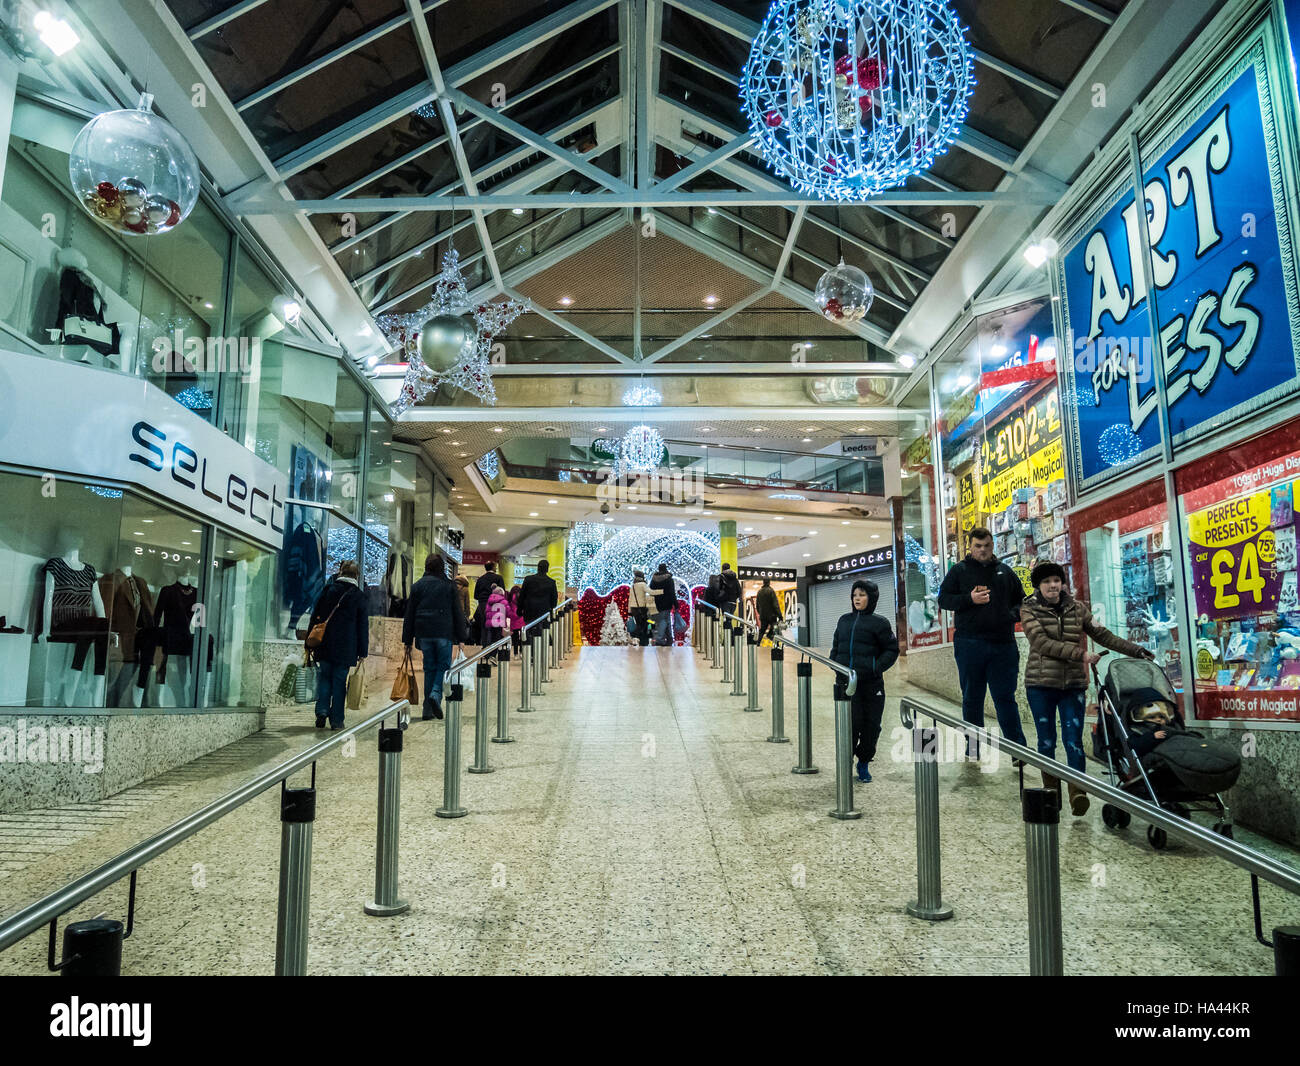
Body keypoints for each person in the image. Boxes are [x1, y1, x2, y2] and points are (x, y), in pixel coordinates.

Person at [1020, 562, 1153, 814]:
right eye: (1046, 581)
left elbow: (1103, 635)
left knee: (1073, 741)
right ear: (1038, 585)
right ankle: (1050, 793)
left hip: (1072, 685)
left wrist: (1136, 650)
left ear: (1062, 583)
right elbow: (1040, 643)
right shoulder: (1029, 609)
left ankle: (1078, 791)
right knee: (1046, 741)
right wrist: (1080, 654)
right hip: (1041, 685)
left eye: (1056, 580)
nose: (1052, 585)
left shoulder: (1078, 608)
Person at [937, 527, 1027, 760]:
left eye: (986, 545)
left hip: (1003, 645)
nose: (983, 550)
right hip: (969, 644)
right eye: (978, 546)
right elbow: (943, 599)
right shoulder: (959, 571)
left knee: (1005, 698)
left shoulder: (1005, 571)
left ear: (993, 545)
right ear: (970, 547)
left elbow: (1022, 602)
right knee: (972, 698)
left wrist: (1010, 615)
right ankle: (973, 747)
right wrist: (969, 599)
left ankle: (1018, 751)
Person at [829, 579, 899, 782]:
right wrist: (835, 664)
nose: (857, 599)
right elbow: (836, 646)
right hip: (847, 685)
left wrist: (875, 667)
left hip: (871, 684)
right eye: (854, 595)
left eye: (862, 595)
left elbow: (892, 649)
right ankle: (845, 762)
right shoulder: (844, 620)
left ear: (872, 598)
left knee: (871, 726)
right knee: (850, 725)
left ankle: (864, 761)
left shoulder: (880, 623)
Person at [403, 553, 468, 720]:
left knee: (429, 668)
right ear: (442, 568)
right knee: (443, 666)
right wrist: (462, 636)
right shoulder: (449, 586)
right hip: (443, 632)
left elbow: (409, 614)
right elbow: (457, 612)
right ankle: (436, 693)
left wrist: (407, 639)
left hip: (424, 633)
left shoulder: (417, 586)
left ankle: (427, 710)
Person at [307, 560, 368, 731]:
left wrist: (309, 642)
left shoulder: (328, 590)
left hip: (325, 644)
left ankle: (322, 711)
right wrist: (363, 651)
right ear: (356, 576)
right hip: (346, 647)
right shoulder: (359, 596)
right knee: (339, 683)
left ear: (340, 572)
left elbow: (315, 616)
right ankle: (336, 720)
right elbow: (362, 626)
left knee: (325, 678)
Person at [472, 562, 505, 645]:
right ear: (493, 567)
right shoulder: (498, 578)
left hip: (482, 604)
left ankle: (485, 646)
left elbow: (476, 595)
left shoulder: (480, 579)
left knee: (484, 625)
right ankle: (493, 648)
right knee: (495, 626)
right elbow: (502, 593)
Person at [520, 559, 559, 623]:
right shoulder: (551, 582)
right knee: (543, 628)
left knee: (529, 628)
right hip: (544, 613)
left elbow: (522, 596)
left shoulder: (528, 579)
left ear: (538, 568)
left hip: (529, 612)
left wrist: (519, 609)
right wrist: (551, 611)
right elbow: (554, 599)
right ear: (547, 569)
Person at [649, 563, 677, 646]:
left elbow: (651, 590)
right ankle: (660, 639)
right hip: (667, 602)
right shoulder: (669, 579)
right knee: (663, 620)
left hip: (658, 602)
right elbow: (672, 592)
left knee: (666, 620)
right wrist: (675, 604)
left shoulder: (654, 579)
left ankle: (669, 638)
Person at [628, 570, 652, 647]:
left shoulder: (633, 586)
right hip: (642, 607)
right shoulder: (643, 585)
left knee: (639, 623)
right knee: (644, 624)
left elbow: (630, 599)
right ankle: (639, 638)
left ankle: (638, 638)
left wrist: (629, 610)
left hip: (634, 608)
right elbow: (649, 594)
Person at [756, 578, 781, 643]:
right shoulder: (771, 591)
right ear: (769, 582)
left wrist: (760, 613)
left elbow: (757, 605)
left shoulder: (759, 592)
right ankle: (774, 641)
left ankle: (757, 643)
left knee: (762, 630)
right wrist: (780, 615)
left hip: (763, 615)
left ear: (763, 582)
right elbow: (775, 605)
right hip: (772, 615)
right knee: (774, 629)